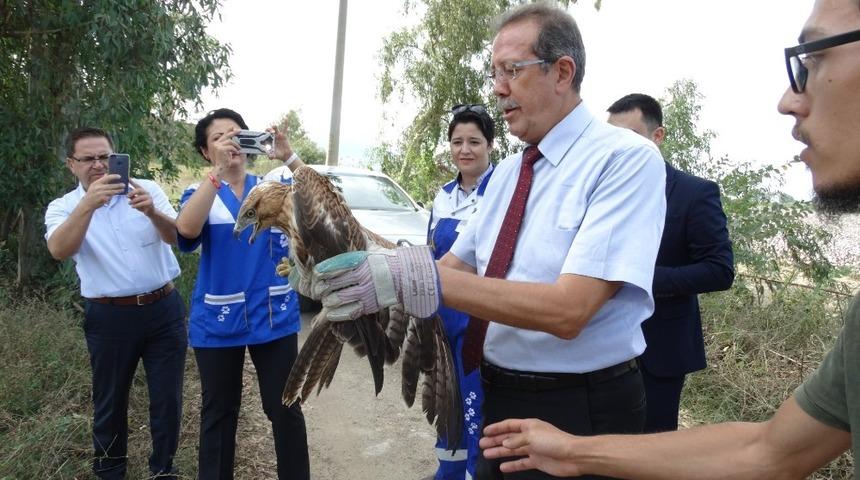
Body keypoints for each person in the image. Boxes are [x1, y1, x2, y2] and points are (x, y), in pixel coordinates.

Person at [479, 0, 860, 477]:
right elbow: (769, 453)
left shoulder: (676, 185)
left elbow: (718, 269)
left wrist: (632, 277)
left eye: (813, 58)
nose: (788, 99)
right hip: (530, 390)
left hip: (640, 360)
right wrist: (572, 452)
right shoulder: (514, 173)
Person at [302, 4, 667, 479]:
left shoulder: (624, 160)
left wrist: (411, 274)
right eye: (495, 72)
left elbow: (569, 310)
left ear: (562, 72)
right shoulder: (511, 173)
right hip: (499, 393)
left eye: (511, 71)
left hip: (581, 410)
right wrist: (363, 271)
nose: (497, 89)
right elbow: (456, 267)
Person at [175, 108, 310, 479]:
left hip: (273, 316)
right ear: (205, 151)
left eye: (236, 133)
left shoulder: (274, 184)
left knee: (285, 408)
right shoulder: (198, 193)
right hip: (218, 322)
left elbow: (317, 197)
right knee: (219, 413)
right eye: (219, 137)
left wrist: (289, 155)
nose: (230, 141)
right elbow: (186, 230)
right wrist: (216, 175)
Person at [44, 127, 186, 479]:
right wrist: (88, 205)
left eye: (104, 156)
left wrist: (153, 212)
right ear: (71, 165)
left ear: (115, 157)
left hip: (163, 309)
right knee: (110, 400)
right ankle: (110, 470)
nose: (98, 165)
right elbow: (60, 249)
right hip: (109, 316)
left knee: (167, 398)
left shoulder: (146, 190)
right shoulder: (63, 206)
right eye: (88, 159)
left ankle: (163, 469)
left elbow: (178, 236)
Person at [606, 93, 735, 433]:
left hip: (660, 350)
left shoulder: (694, 193)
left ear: (657, 137)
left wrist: (642, 280)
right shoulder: (602, 192)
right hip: (601, 344)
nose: (617, 147)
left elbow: (720, 269)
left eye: (628, 137)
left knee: (651, 450)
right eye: (610, 138)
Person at [426, 103, 497, 480]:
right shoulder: (444, 194)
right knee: (447, 398)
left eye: (474, 141)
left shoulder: (501, 191)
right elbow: (433, 253)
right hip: (443, 317)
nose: (465, 149)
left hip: (481, 318)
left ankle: (476, 472)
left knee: (476, 400)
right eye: (457, 141)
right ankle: (450, 470)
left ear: (490, 145)